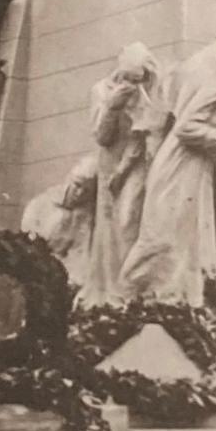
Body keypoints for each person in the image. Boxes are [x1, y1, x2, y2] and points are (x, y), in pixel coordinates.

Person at [118, 21, 216, 306]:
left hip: (179, 160)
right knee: (164, 236)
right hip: (184, 163)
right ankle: (123, 297)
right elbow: (187, 128)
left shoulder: (198, 65)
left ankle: (170, 298)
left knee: (179, 237)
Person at [83, 42, 166, 306]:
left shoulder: (147, 91)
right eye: (130, 78)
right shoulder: (101, 90)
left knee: (130, 218)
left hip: (137, 163)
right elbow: (100, 136)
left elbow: (150, 128)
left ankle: (133, 289)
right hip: (111, 161)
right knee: (111, 228)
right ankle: (114, 294)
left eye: (139, 78)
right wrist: (112, 107)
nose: (134, 84)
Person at [20, 153, 98, 289]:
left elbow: (80, 253)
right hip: (34, 266)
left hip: (62, 274)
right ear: (69, 180)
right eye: (77, 185)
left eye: (87, 191)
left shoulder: (85, 216)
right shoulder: (41, 203)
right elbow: (27, 239)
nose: (80, 193)